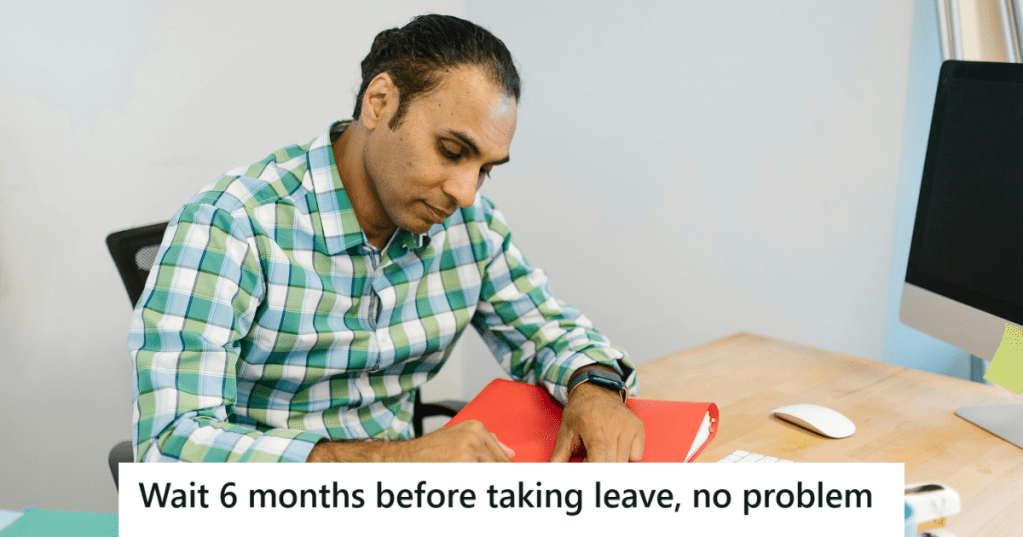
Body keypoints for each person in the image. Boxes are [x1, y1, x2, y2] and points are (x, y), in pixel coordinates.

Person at [129, 14, 643, 464]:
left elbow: (549, 329)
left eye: (486, 169)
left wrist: (594, 387)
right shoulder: (231, 226)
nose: (466, 193)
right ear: (379, 103)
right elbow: (169, 445)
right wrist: (395, 462)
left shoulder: (469, 225)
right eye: (451, 151)